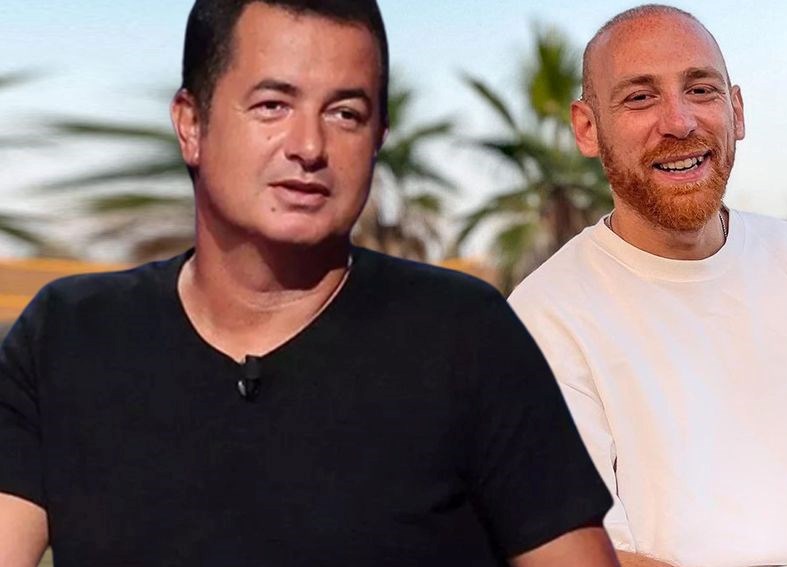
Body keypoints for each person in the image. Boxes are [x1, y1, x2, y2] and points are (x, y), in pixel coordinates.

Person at [0, 2, 620, 565]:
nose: (309, 146)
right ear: (191, 123)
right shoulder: (69, 336)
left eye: (345, 113)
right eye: (273, 105)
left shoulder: (464, 335)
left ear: (378, 138)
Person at [508, 5, 787, 567]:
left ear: (736, 110)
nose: (679, 122)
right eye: (640, 97)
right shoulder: (543, 317)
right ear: (587, 128)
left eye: (700, 90)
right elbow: (585, 554)